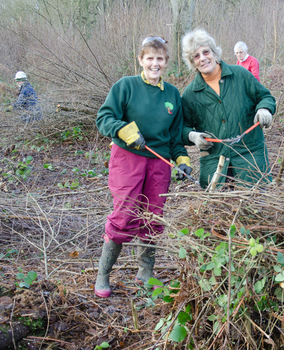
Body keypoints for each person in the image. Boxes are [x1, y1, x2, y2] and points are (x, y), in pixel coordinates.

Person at [94, 36, 192, 297]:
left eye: (160, 59)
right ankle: (103, 274)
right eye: (149, 58)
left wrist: (181, 159)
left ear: (166, 62)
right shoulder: (125, 87)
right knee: (124, 214)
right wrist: (123, 130)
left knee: (153, 216)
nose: (154, 63)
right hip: (128, 158)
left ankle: (145, 272)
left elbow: (175, 135)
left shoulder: (172, 94)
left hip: (159, 163)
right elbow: (104, 118)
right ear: (140, 60)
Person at [181, 29, 276, 189]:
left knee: (256, 208)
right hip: (215, 164)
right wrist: (191, 135)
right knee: (219, 211)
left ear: (214, 52)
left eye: (206, 52)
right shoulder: (190, 94)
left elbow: (265, 97)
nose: (203, 58)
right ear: (192, 62)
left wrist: (264, 109)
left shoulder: (240, 75)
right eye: (196, 56)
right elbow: (181, 127)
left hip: (250, 158)